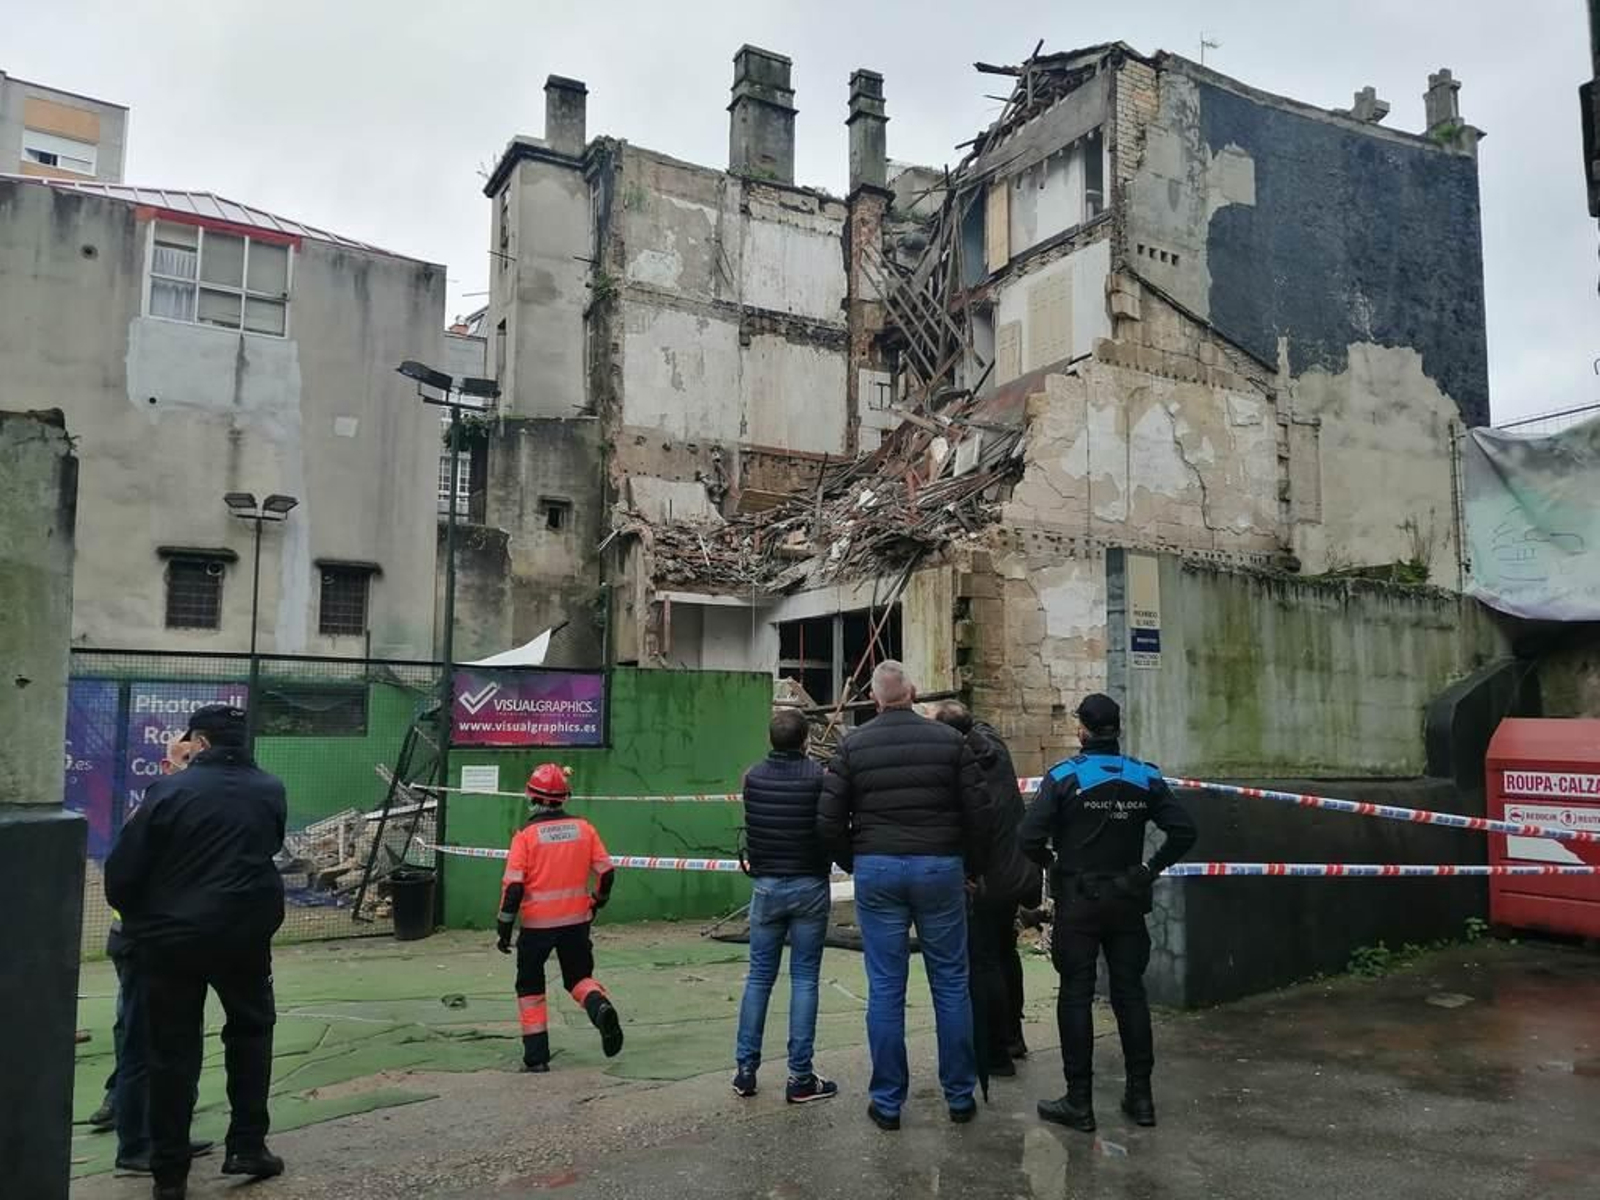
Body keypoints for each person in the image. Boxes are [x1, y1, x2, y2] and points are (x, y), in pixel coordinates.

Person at [104, 704, 287, 1200]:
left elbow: (122, 876)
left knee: (172, 1050)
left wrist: (145, 922)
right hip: (246, 937)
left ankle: (169, 1174)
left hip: (173, 940)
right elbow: (268, 846)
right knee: (251, 1033)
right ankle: (247, 1145)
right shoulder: (270, 790)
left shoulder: (167, 792)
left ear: (200, 743)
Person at [817, 661, 992, 1131]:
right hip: (939, 867)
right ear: (911, 693)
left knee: (887, 989)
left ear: (875, 698)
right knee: (952, 983)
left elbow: (829, 821)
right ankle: (959, 1096)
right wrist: (969, 867)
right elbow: (980, 812)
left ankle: (888, 1103)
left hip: (879, 869)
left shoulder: (852, 746)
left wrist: (858, 861)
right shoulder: (950, 743)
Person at [1019, 693, 1197, 1133]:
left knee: (1075, 994)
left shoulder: (1063, 777)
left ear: (1082, 729)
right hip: (1127, 901)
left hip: (1079, 902)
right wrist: (1149, 869)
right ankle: (1141, 1098)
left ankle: (1079, 1100)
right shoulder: (1144, 776)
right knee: (1130, 994)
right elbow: (1184, 831)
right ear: (1116, 729)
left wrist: (1052, 863)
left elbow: (1027, 836)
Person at [108, 736, 214, 1175]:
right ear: (167, 766)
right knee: (139, 1043)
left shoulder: (181, 807)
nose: (192, 767)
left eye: (197, 758)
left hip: (168, 941)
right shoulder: (153, 808)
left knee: (174, 1043)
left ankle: (167, 1135)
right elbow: (125, 876)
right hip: (140, 940)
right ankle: (135, 1144)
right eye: (184, 759)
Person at [731, 708, 838, 1104]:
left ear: (771, 740)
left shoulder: (752, 778)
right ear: (806, 740)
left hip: (766, 884)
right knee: (805, 979)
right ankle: (800, 1076)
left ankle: (745, 1071)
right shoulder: (820, 780)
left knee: (759, 977)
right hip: (809, 882)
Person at [931, 701, 1041, 1082]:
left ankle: (995, 1051)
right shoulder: (994, 746)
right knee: (1005, 951)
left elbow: (972, 824)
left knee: (985, 960)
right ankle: (1013, 1036)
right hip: (1015, 871)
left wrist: (969, 872)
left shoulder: (962, 767)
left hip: (989, 876)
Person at [496, 763, 624, 1071]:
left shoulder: (525, 836)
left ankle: (536, 1058)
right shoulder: (585, 828)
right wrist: (598, 902)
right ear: (564, 797)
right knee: (579, 978)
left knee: (530, 988)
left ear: (532, 796)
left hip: (536, 927)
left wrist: (503, 928)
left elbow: (513, 888)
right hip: (577, 922)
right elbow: (606, 873)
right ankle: (601, 1007)